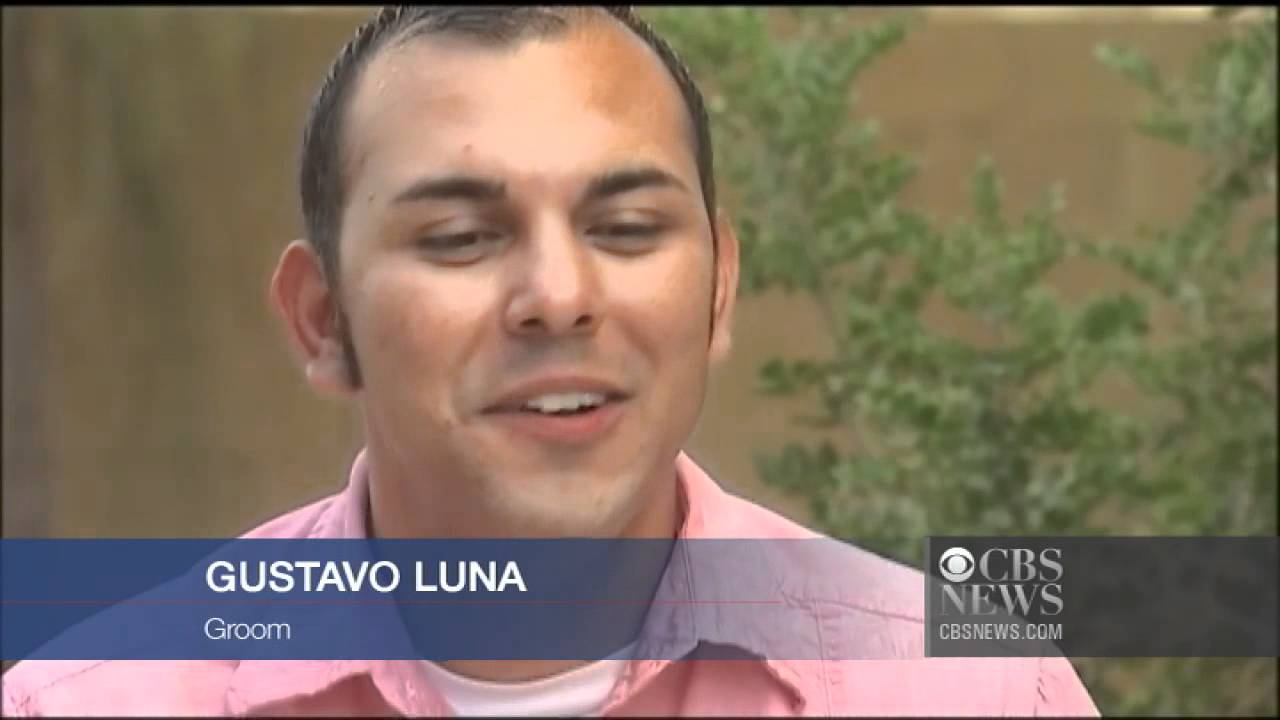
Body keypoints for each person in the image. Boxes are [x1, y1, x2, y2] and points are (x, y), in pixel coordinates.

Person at [2, 6, 1099, 716]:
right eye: (460, 238)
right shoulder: (101, 700)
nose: (559, 298)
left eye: (623, 228)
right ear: (320, 320)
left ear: (717, 286)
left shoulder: (968, 686)